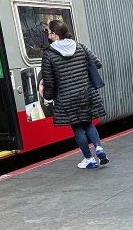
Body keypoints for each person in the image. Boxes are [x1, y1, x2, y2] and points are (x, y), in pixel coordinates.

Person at [39, 20, 109, 169]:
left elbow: (50, 81)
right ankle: (99, 147)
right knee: (89, 123)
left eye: (49, 32)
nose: (48, 35)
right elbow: (97, 64)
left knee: (78, 128)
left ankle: (89, 159)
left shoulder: (49, 54)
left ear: (55, 34)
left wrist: (47, 98)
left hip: (66, 97)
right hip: (86, 93)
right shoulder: (80, 46)